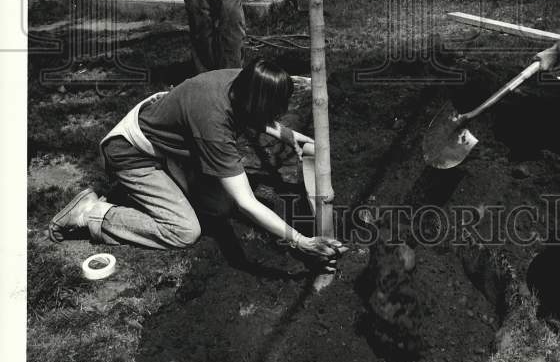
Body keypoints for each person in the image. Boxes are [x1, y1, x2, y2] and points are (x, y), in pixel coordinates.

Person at [49, 60, 343, 267]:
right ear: (257, 102)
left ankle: (161, 190)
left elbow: (252, 113)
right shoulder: (214, 127)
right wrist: (301, 241)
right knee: (184, 230)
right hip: (131, 153)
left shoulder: (243, 79)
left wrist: (289, 135)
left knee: (219, 206)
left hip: (172, 142)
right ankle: (92, 213)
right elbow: (247, 203)